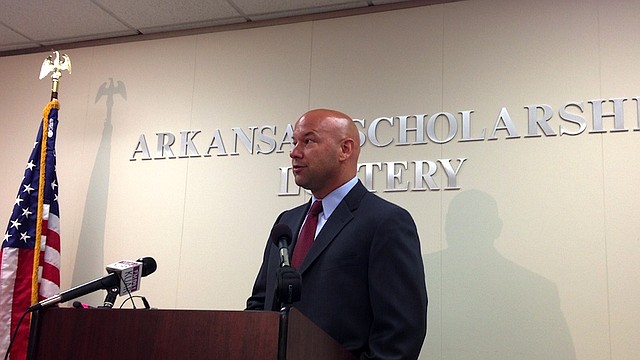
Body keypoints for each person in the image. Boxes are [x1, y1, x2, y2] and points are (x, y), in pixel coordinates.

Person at [246, 109, 427, 359]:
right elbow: (260, 304)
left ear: (345, 149)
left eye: (308, 141)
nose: (294, 152)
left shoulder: (386, 222)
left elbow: (399, 334)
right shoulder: (285, 222)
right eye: (294, 142)